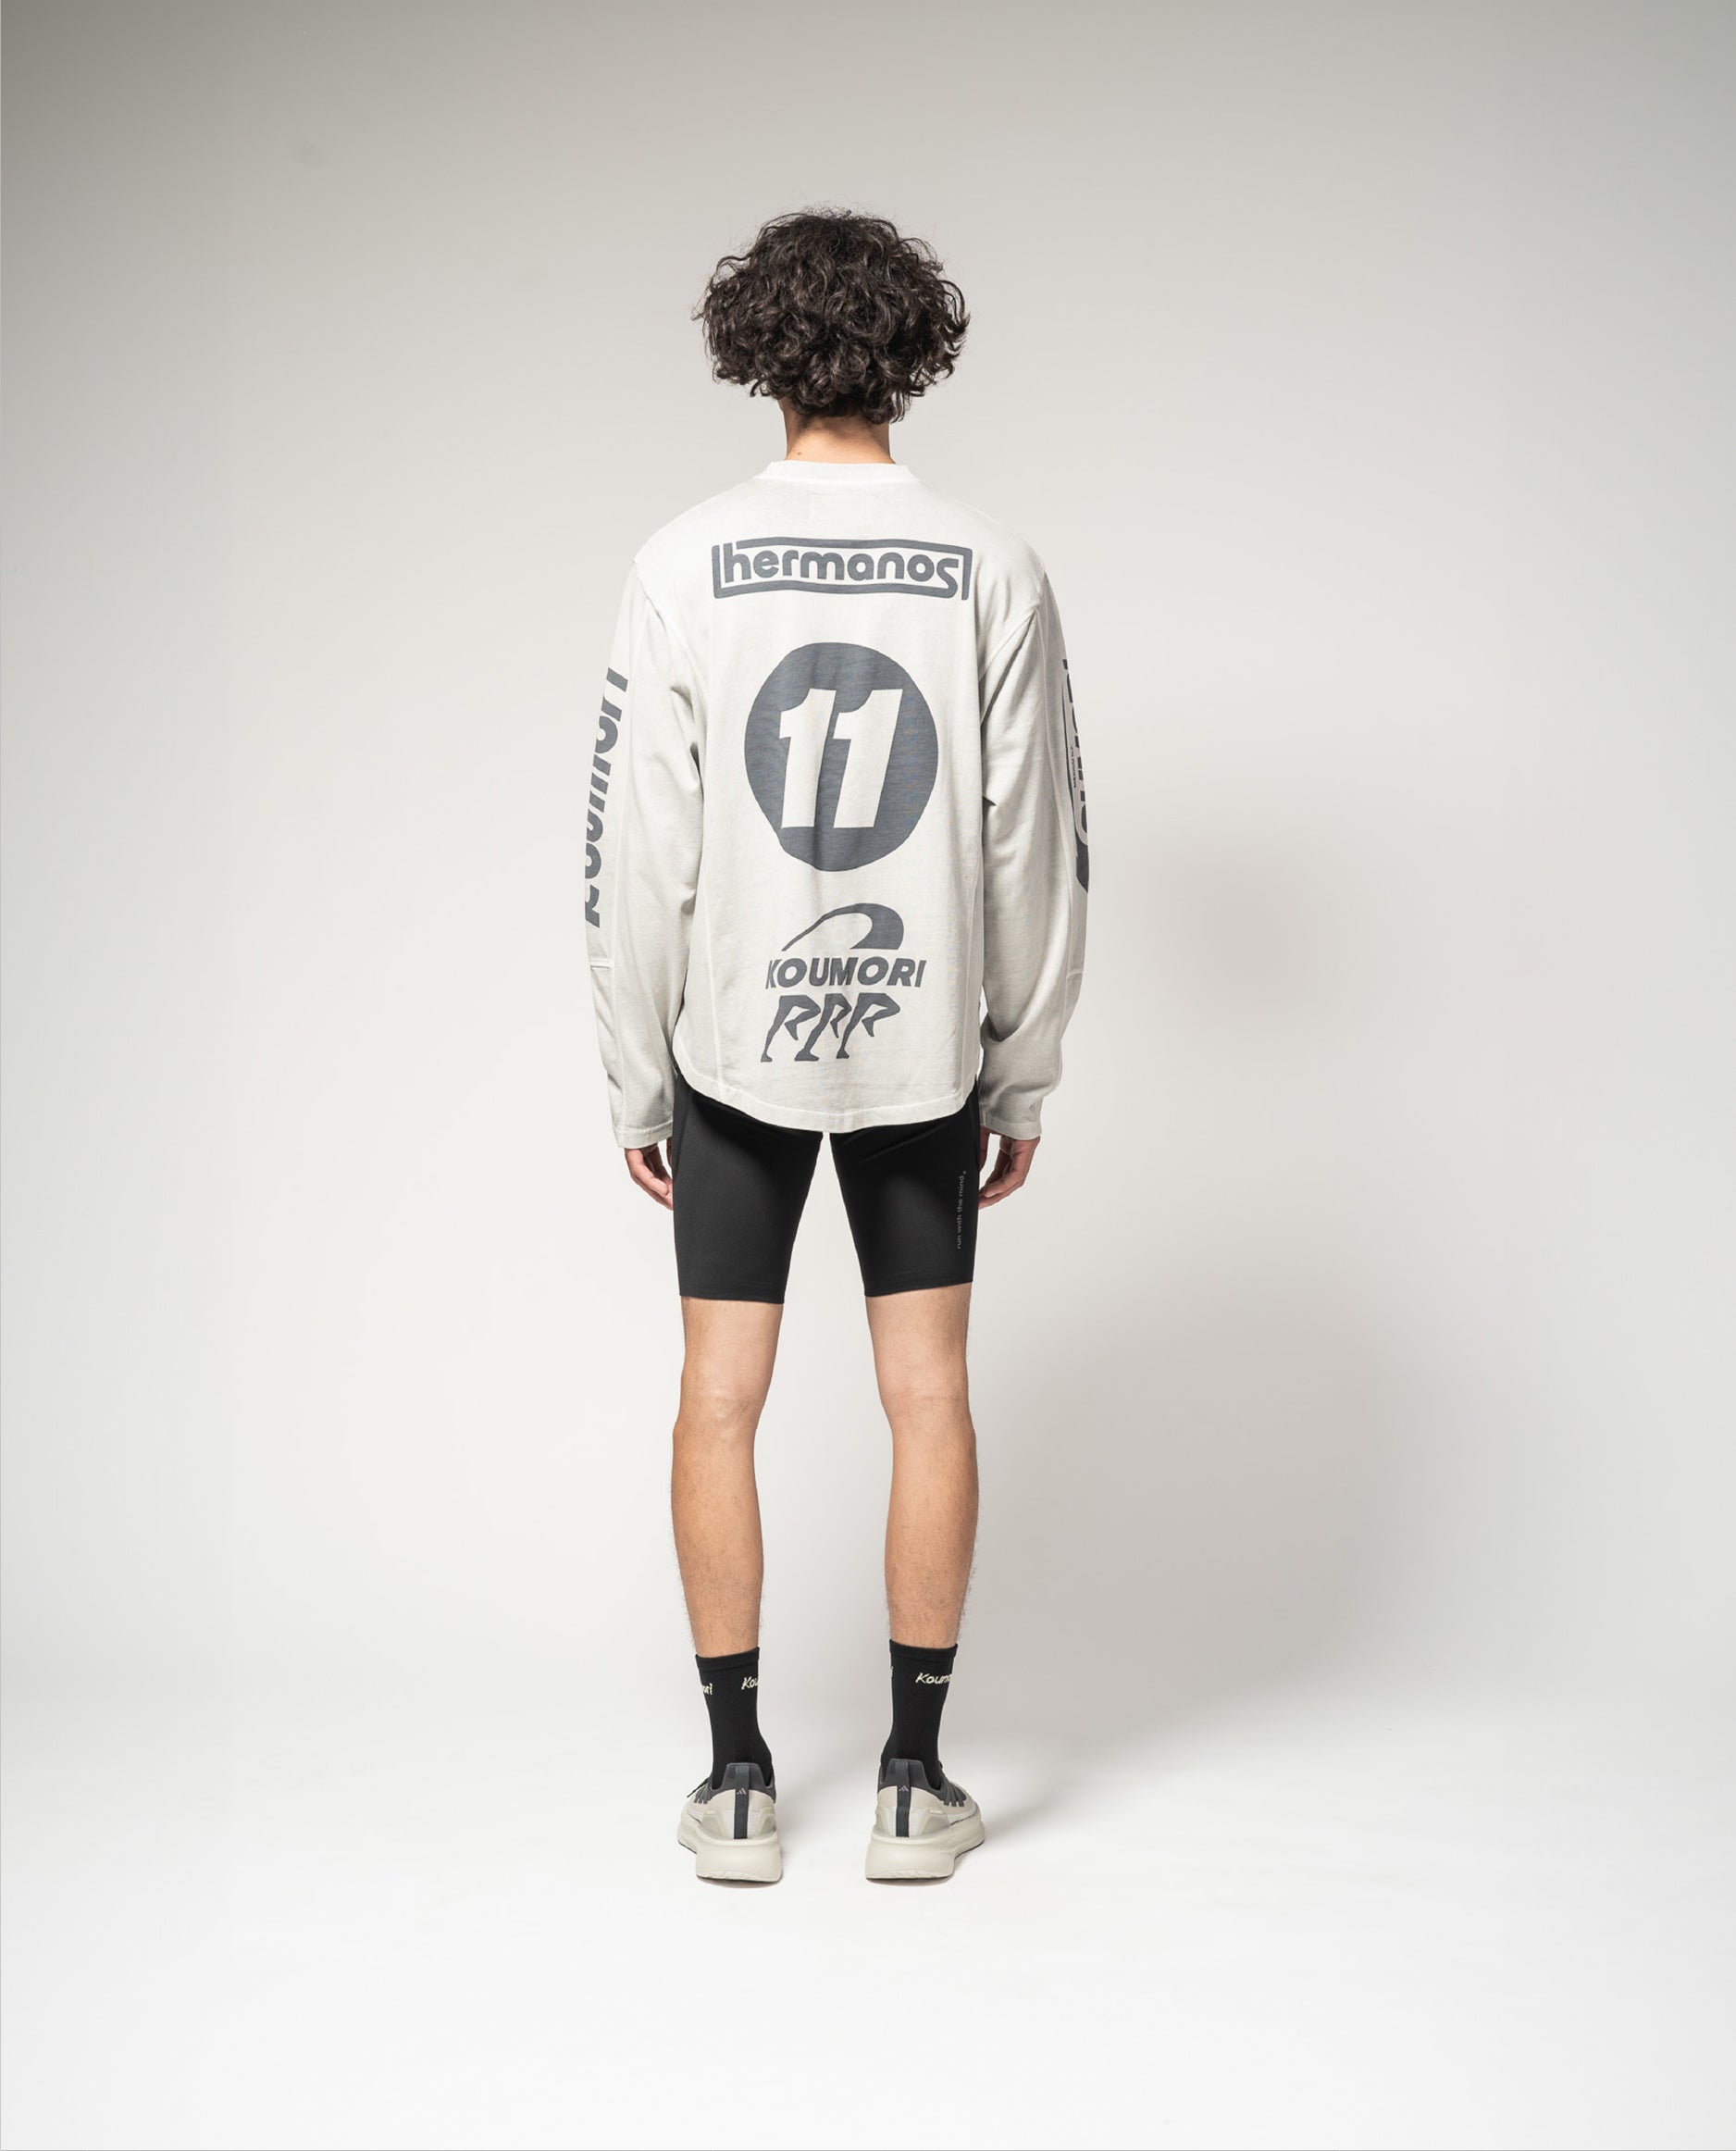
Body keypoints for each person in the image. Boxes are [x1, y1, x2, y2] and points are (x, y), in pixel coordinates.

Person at [584, 208, 1088, 1882]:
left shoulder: (682, 560)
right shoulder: (991, 562)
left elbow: (635, 854)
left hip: (733, 1050)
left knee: (716, 1402)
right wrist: (1022, 1066)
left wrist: (635, 1074)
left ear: (758, 352)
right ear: (914, 353)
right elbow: (1033, 847)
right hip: (923, 1046)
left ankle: (735, 1784)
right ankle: (912, 1785)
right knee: (927, 1396)